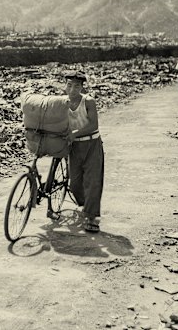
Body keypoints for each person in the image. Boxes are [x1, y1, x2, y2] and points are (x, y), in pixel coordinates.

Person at [64, 71, 104, 233]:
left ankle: (92, 217)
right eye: (69, 85)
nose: (72, 89)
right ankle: (85, 206)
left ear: (82, 87)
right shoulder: (62, 102)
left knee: (92, 181)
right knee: (74, 183)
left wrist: (74, 134)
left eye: (77, 86)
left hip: (91, 144)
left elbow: (93, 125)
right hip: (74, 147)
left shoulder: (88, 101)